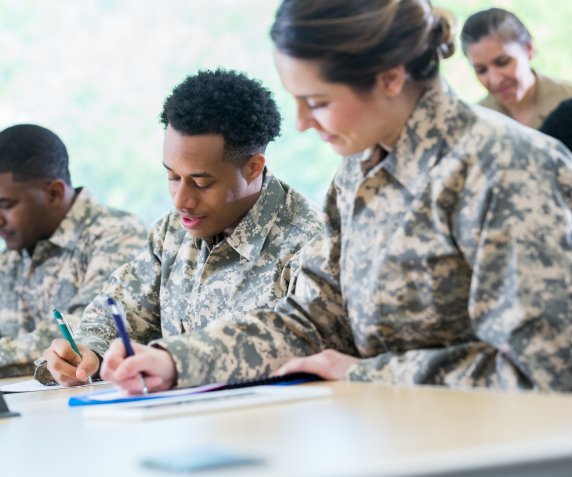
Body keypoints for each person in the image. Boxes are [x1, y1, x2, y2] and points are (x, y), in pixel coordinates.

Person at [99, 0, 572, 395]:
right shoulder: (357, 172)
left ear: (389, 77)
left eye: (318, 101)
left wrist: (367, 373)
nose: (302, 122)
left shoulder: (505, 167)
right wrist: (173, 360)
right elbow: (312, 319)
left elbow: (548, 372)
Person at [40, 69, 323, 387]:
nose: (181, 200)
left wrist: (175, 362)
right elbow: (123, 308)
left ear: (253, 168)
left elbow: (302, 344)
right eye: (173, 177)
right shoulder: (171, 233)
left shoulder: (312, 243)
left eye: (202, 182)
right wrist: (87, 351)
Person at [0, 124, 148, 378]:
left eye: (6, 205)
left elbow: (86, 334)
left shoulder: (118, 236)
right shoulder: (12, 255)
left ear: (55, 193)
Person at [461, 8, 572, 130]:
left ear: (529, 48)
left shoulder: (568, 98)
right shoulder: (472, 122)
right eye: (481, 70)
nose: (495, 80)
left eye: (503, 62)